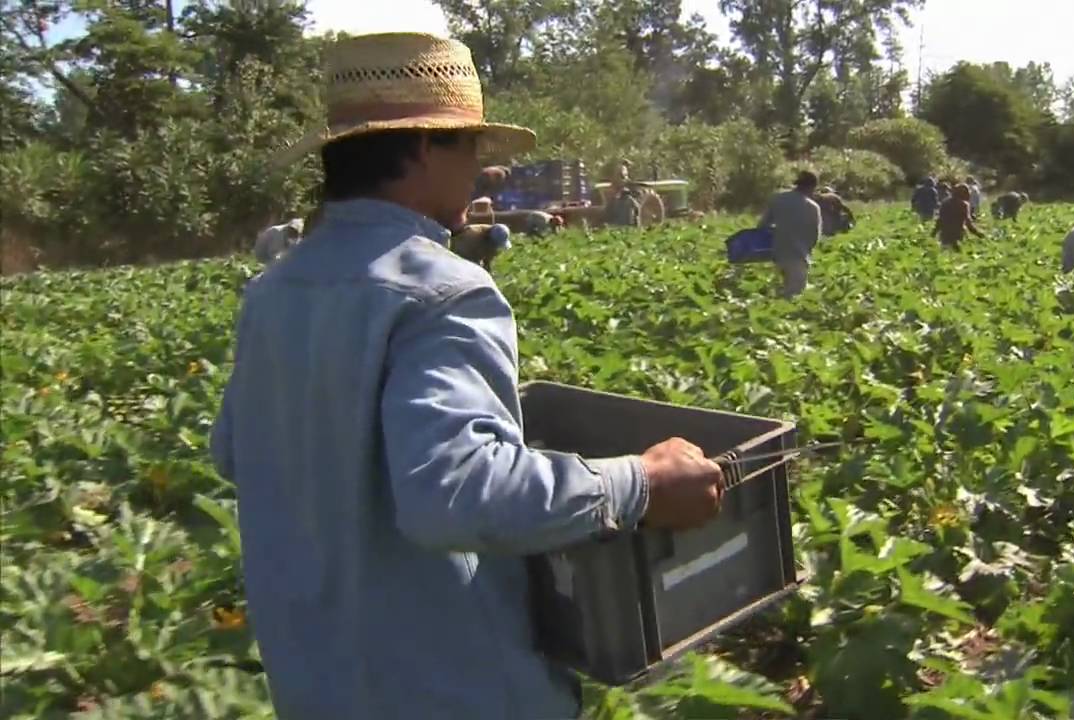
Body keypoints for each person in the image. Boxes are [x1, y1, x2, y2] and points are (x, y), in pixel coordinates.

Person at [212, 32, 725, 720]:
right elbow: (452, 493)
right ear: (424, 146)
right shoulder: (445, 290)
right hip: (449, 687)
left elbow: (233, 453)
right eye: (473, 149)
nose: (483, 173)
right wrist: (639, 482)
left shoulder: (271, 292)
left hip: (314, 683)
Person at [759, 170, 822, 298]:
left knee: (775, 296)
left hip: (776, 255)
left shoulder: (777, 199)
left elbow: (762, 226)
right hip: (798, 256)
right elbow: (815, 236)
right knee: (793, 298)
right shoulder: (812, 207)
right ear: (812, 187)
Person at [932, 183, 984, 250]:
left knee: (945, 254)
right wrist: (979, 234)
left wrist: (933, 233)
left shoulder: (945, 203)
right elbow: (969, 224)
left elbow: (939, 220)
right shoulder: (963, 205)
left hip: (945, 235)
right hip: (957, 235)